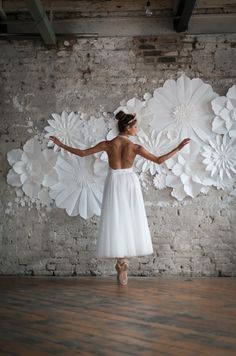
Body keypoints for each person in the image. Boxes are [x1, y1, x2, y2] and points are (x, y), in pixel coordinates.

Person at [49, 111, 190, 286]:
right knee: (130, 218)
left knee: (116, 218)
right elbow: (159, 160)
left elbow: (82, 154)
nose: (137, 130)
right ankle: (123, 263)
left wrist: (60, 144)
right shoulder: (135, 147)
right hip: (129, 181)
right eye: (135, 127)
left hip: (114, 180)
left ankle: (121, 262)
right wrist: (178, 148)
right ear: (128, 128)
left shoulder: (108, 144)